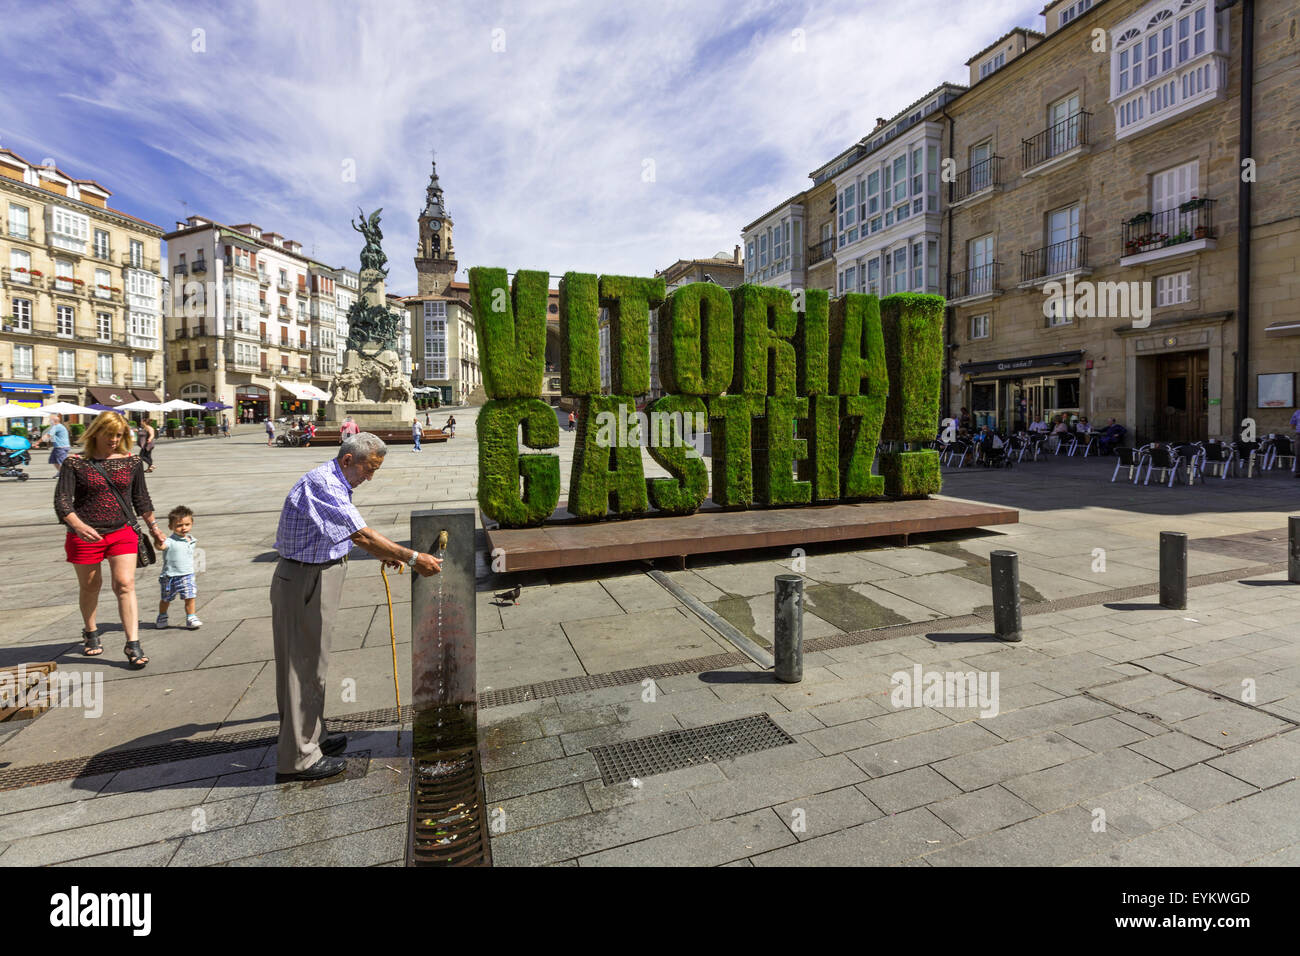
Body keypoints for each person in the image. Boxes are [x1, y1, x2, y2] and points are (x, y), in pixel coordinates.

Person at [270, 433, 442, 781]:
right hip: (304, 580)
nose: (370, 477)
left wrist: (384, 554)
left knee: (313, 663)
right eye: (368, 469)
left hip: (316, 574)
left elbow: (341, 533)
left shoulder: (335, 480)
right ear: (348, 460)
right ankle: (298, 759)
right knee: (300, 666)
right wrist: (411, 558)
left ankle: (313, 737)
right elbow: (360, 534)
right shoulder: (323, 484)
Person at [55, 411, 167, 668]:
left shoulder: (132, 462)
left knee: (125, 584)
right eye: (109, 434)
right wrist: (78, 525)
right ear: (96, 433)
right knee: (91, 586)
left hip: (122, 531)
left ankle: (133, 643)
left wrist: (154, 528)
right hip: (85, 534)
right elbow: (62, 501)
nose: (114, 439)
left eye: (119, 435)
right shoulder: (75, 463)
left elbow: (141, 499)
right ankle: (91, 631)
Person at [156, 505, 203, 630]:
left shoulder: (191, 540)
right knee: (166, 599)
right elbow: (160, 547)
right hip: (169, 576)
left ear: (192, 523)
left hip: (187, 574)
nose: (184, 528)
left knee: (190, 596)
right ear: (171, 527)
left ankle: (191, 617)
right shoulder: (170, 541)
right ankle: (162, 616)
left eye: (187, 524)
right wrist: (157, 539)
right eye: (179, 525)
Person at [39, 413, 71, 477]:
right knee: (54, 460)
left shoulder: (56, 427)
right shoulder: (59, 426)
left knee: (61, 461)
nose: (49, 421)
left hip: (61, 447)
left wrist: (37, 443)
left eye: (50, 420)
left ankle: (67, 474)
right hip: (59, 447)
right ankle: (60, 472)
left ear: (54, 421)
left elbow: (47, 435)